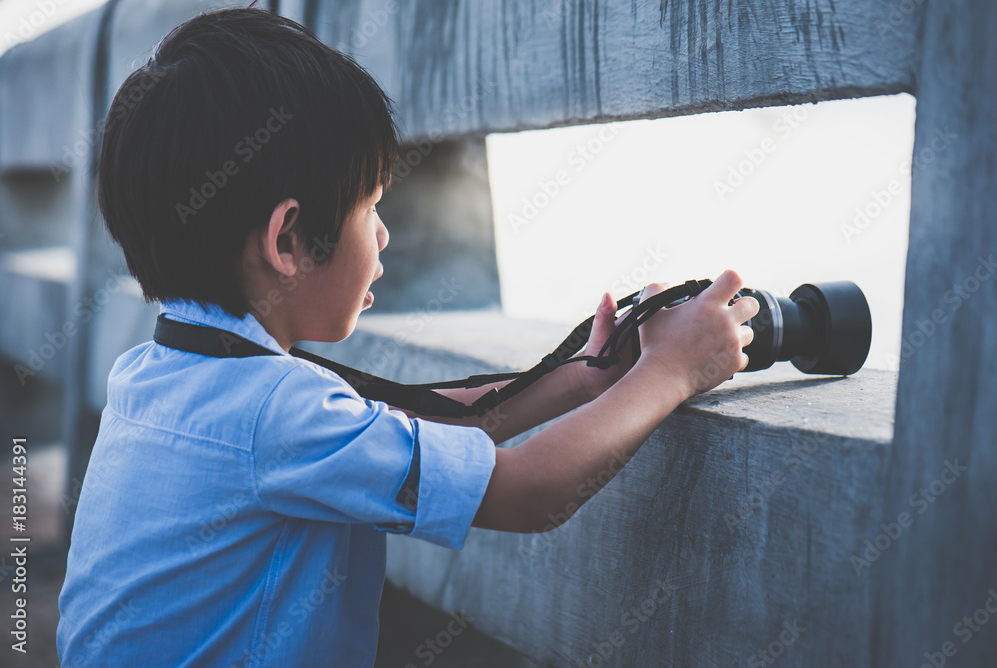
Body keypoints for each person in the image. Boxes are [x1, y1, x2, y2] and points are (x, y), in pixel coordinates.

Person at [56, 7, 758, 667]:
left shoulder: (157, 372)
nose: (386, 235)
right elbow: (529, 490)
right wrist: (671, 372)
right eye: (372, 206)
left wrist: (585, 377)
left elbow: (433, 425)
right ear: (289, 238)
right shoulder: (276, 412)